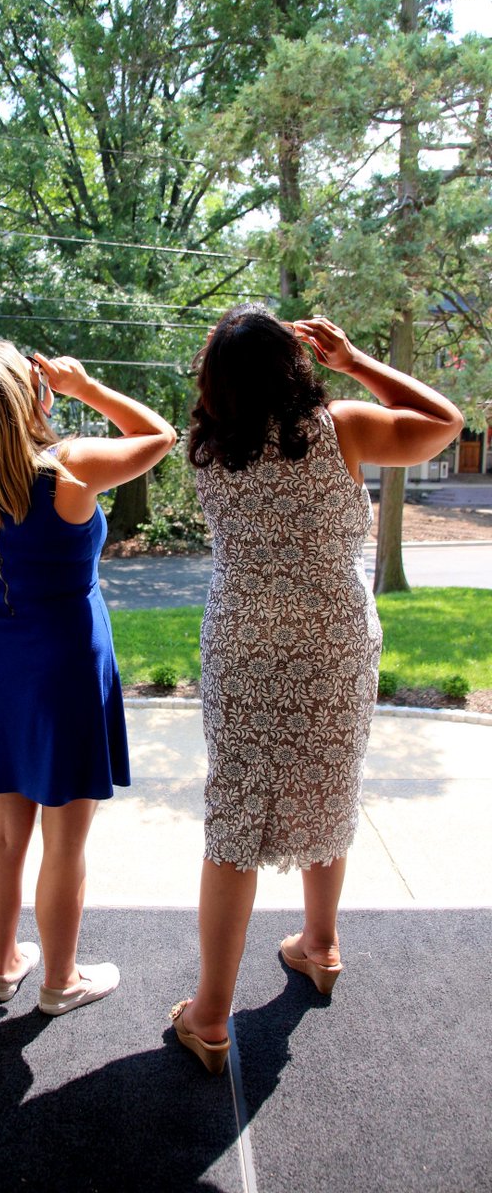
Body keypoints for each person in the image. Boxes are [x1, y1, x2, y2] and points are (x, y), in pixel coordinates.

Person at [171, 309, 463, 1073]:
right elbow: (445, 421)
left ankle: (208, 1016)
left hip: (244, 642)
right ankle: (321, 945)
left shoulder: (202, 448)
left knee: (236, 812)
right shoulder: (345, 429)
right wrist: (357, 359)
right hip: (334, 639)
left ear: (217, 381)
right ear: (296, 367)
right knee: (331, 784)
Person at [0, 343, 175, 1014]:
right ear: (28, 399)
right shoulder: (69, 468)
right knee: (65, 840)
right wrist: (86, 384)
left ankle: (4, 965)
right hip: (66, 666)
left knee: (6, 835)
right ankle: (59, 982)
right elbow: (160, 435)